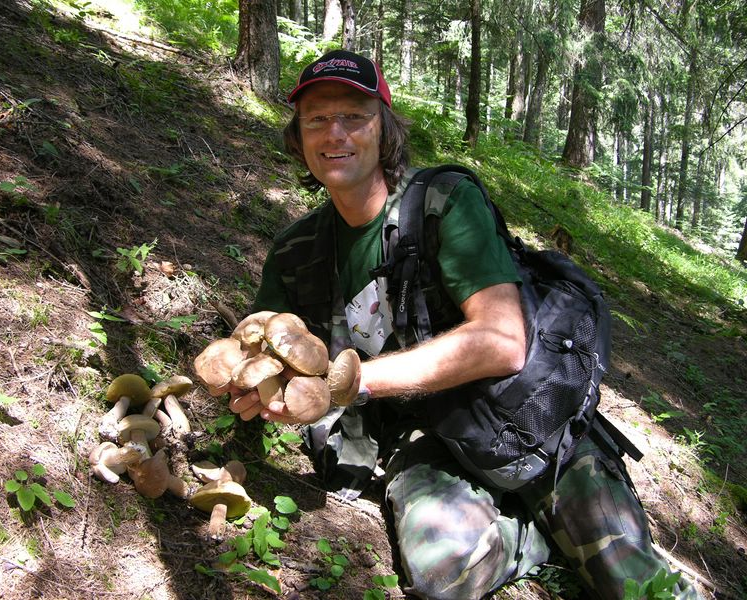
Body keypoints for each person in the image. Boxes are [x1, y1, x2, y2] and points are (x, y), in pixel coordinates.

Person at [225, 49, 700, 599]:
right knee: (442, 575)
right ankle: (534, 536)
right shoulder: (297, 251)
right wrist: (258, 391)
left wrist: (359, 380)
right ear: (298, 137)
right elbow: (270, 348)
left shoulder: (443, 202)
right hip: (420, 433)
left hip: (523, 414)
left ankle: (562, 509)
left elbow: (503, 343)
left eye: (354, 116)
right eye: (317, 119)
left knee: (634, 580)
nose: (335, 133)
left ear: (384, 129)